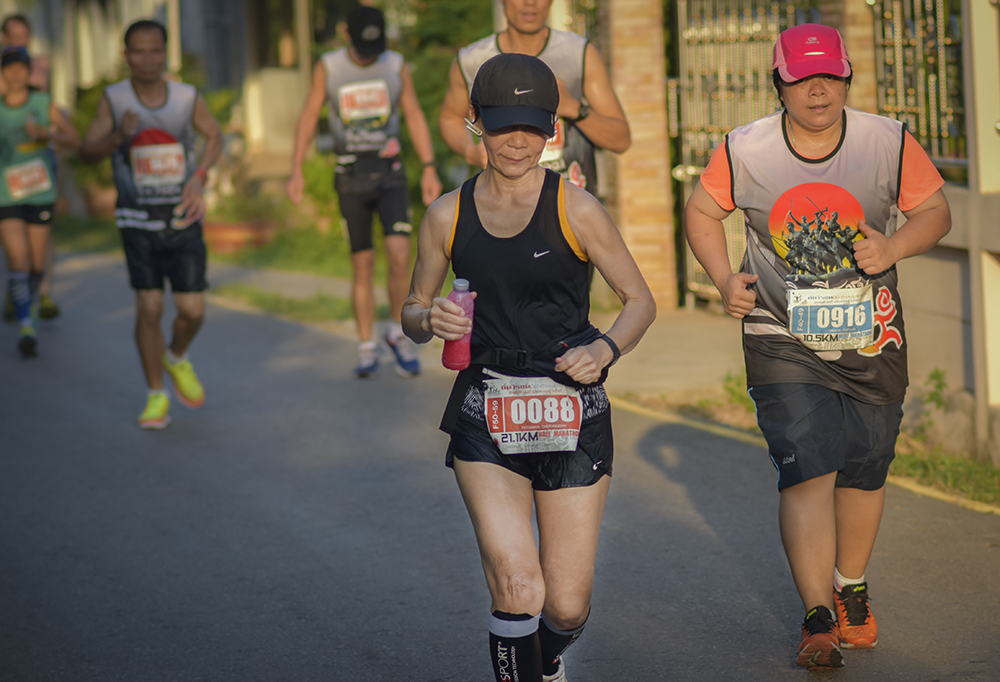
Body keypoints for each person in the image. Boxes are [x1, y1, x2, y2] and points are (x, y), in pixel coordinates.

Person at [684, 24, 951, 670]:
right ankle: (817, 618)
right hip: (782, 335)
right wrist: (723, 279)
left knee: (866, 460)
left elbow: (936, 213)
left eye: (829, 75)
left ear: (847, 76)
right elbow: (701, 211)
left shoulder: (887, 141)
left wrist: (892, 246)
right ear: (778, 84)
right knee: (807, 463)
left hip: (870, 333)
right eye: (802, 79)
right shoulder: (744, 148)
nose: (818, 90)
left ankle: (849, 585)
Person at [403, 54, 655, 682]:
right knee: (518, 586)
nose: (517, 141)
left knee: (565, 605)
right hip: (485, 411)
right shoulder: (446, 215)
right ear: (475, 122)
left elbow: (640, 301)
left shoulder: (577, 209)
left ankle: (544, 661)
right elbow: (410, 311)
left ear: (552, 130)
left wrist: (606, 349)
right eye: (502, 125)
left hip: (571, 408)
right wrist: (429, 318)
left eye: (532, 127)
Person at [80, 19, 223, 429]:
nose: (148, 60)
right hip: (136, 219)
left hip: (182, 216)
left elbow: (215, 137)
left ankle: (175, 355)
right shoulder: (115, 99)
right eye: (139, 52)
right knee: (150, 306)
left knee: (192, 310)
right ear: (126, 55)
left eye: (155, 51)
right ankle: (156, 395)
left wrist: (200, 176)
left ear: (165, 53)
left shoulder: (186, 97)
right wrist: (117, 137)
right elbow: (87, 151)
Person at [287, 5, 442, 378]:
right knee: (363, 262)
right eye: (362, 47)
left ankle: (396, 335)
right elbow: (308, 115)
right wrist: (296, 170)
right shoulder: (330, 67)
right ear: (345, 35)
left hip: (389, 173)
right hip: (351, 176)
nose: (369, 55)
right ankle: (366, 345)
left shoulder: (395, 65)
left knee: (400, 255)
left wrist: (429, 166)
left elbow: (413, 114)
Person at [438, 0, 629, 194]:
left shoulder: (579, 54)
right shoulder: (472, 60)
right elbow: (450, 118)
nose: (530, 2)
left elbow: (620, 140)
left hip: (570, 197)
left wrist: (573, 108)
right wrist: (471, 152)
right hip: (504, 201)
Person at [0, 46, 78, 357]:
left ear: (29, 71)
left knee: (35, 263)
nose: (16, 74)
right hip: (6, 195)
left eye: (21, 68)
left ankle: (29, 313)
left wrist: (46, 134)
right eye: (10, 68)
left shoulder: (42, 103)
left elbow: (73, 138)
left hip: (40, 193)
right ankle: (25, 326)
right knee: (18, 260)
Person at [1, 14, 61, 323]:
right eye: (14, 37)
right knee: (14, 240)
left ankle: (43, 288)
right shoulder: (8, 66)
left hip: (39, 156)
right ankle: (17, 288)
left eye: (24, 37)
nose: (20, 42)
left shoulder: (40, 63)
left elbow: (45, 100)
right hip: (9, 160)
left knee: (42, 229)